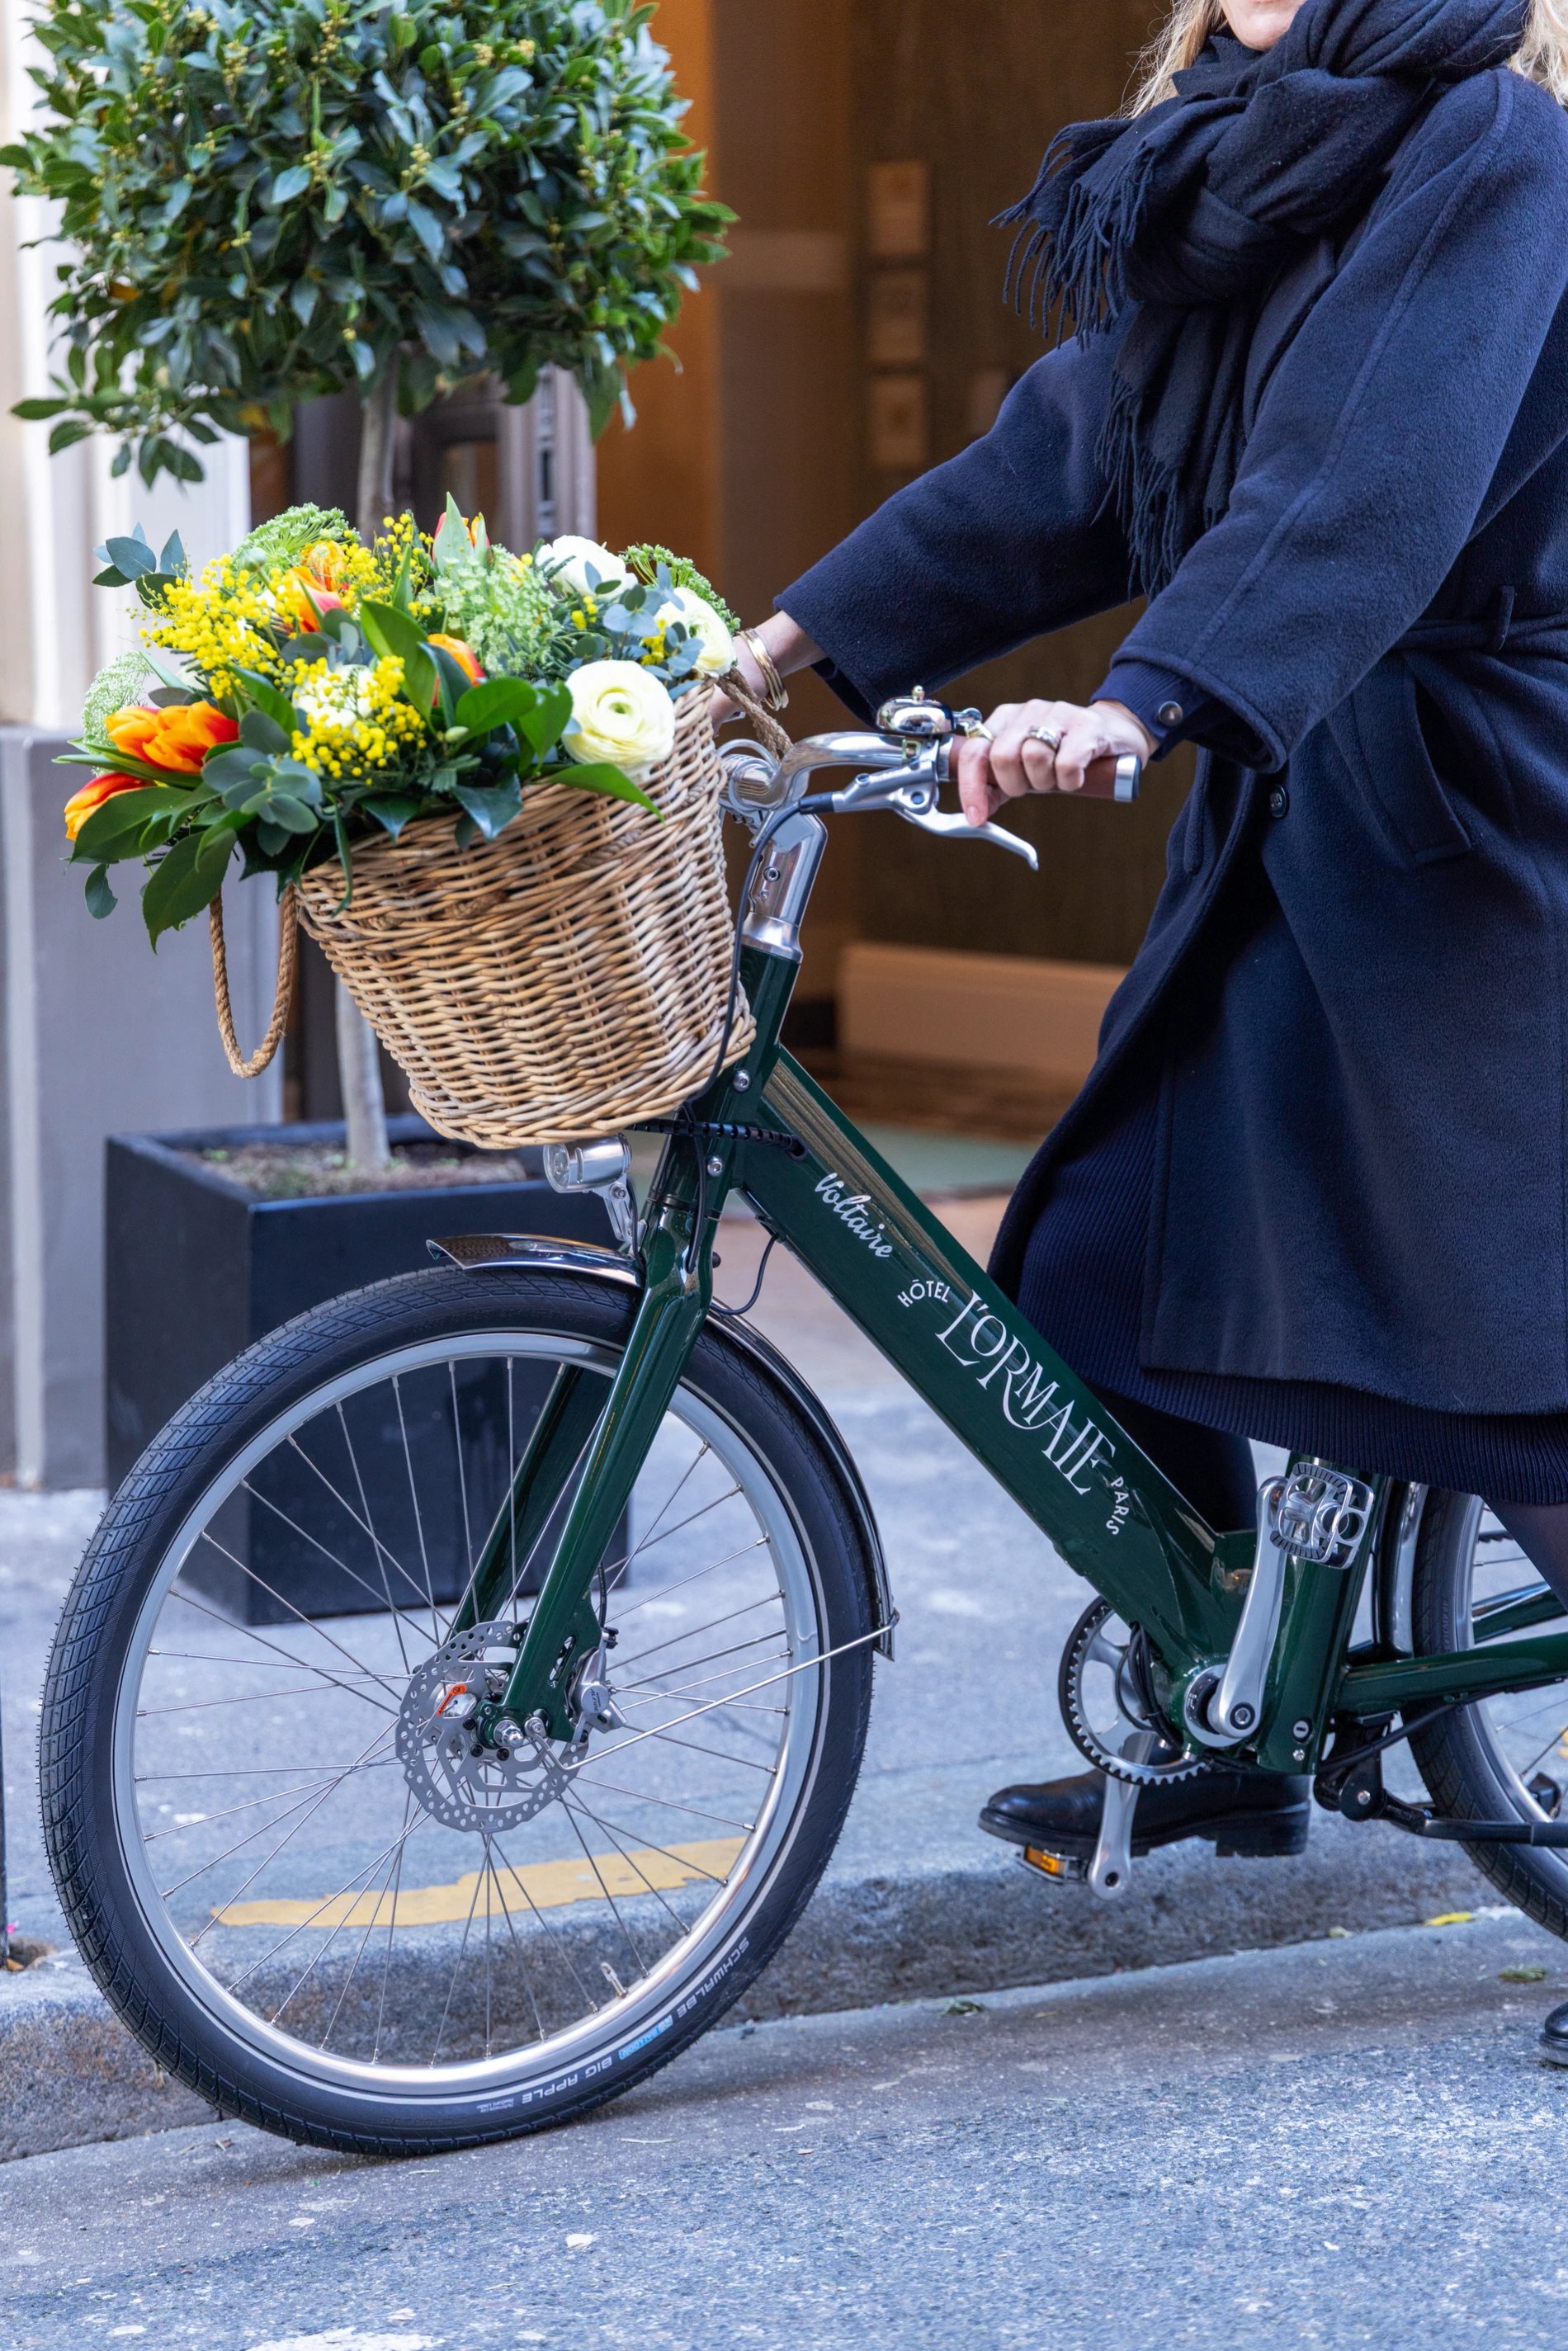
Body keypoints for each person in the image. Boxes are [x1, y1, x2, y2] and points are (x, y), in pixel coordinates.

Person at [713, 0, 1568, 2051]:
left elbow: (1364, 473)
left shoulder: (1486, 143)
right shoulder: (1212, 159)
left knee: (1510, 1377)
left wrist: (1140, 702)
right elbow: (1071, 457)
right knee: (1104, 1260)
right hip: (1305, 809)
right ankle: (1241, 1716)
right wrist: (777, 649)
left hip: (1472, 828)